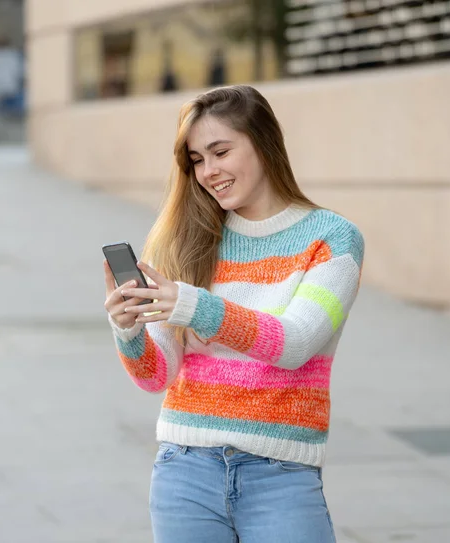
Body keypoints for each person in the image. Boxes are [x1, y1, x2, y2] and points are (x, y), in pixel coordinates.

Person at [104, 84, 364, 542]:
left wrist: (191, 304)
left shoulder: (332, 239)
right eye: (197, 160)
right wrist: (128, 332)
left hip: (281, 475)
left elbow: (294, 342)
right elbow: (155, 378)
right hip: (184, 471)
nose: (209, 171)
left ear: (263, 143)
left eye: (220, 151)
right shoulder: (185, 240)